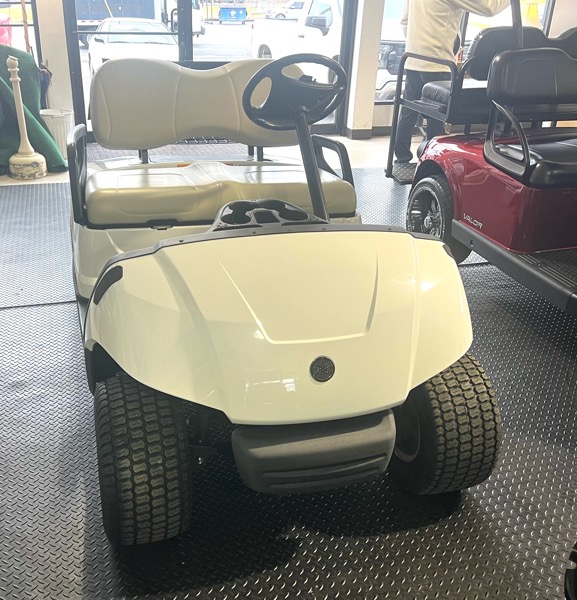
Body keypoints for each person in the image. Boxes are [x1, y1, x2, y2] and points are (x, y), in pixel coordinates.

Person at [394, 0, 511, 164]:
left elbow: (404, 21)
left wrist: (419, 45)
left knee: (408, 112)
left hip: (413, 60)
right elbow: (488, 8)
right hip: (438, 62)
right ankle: (431, 161)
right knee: (437, 118)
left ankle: (401, 158)